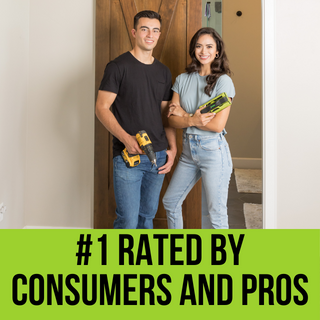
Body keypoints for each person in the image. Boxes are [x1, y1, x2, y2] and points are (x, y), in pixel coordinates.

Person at [95, 10, 176, 229]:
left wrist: (173, 148)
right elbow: (101, 108)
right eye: (145, 29)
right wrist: (127, 139)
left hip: (158, 156)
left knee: (146, 218)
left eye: (155, 30)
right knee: (128, 221)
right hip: (128, 156)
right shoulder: (118, 67)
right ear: (134, 32)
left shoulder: (163, 72)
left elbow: (165, 116)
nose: (151, 34)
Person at [162, 27, 235, 229]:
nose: (204, 51)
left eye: (209, 46)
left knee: (216, 214)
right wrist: (193, 119)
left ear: (217, 51)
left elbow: (217, 125)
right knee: (170, 202)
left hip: (213, 152)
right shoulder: (182, 79)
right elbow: (171, 121)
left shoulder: (223, 82)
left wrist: (184, 114)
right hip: (188, 152)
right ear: (193, 49)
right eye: (199, 46)